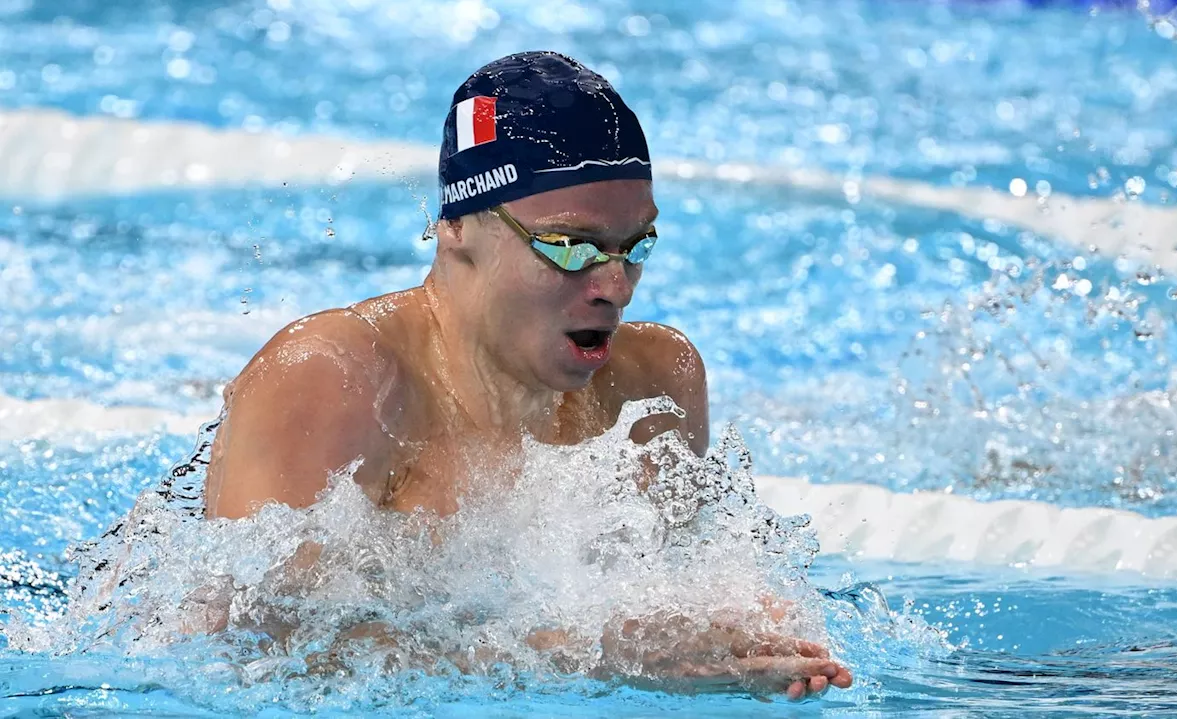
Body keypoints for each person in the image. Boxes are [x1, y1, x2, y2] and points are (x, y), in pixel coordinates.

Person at [203, 50, 852, 700]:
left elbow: (673, 593)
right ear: (456, 226)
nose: (615, 286)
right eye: (570, 246)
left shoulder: (656, 388)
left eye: (638, 247)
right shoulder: (338, 379)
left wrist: (744, 633)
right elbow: (255, 647)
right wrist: (597, 654)